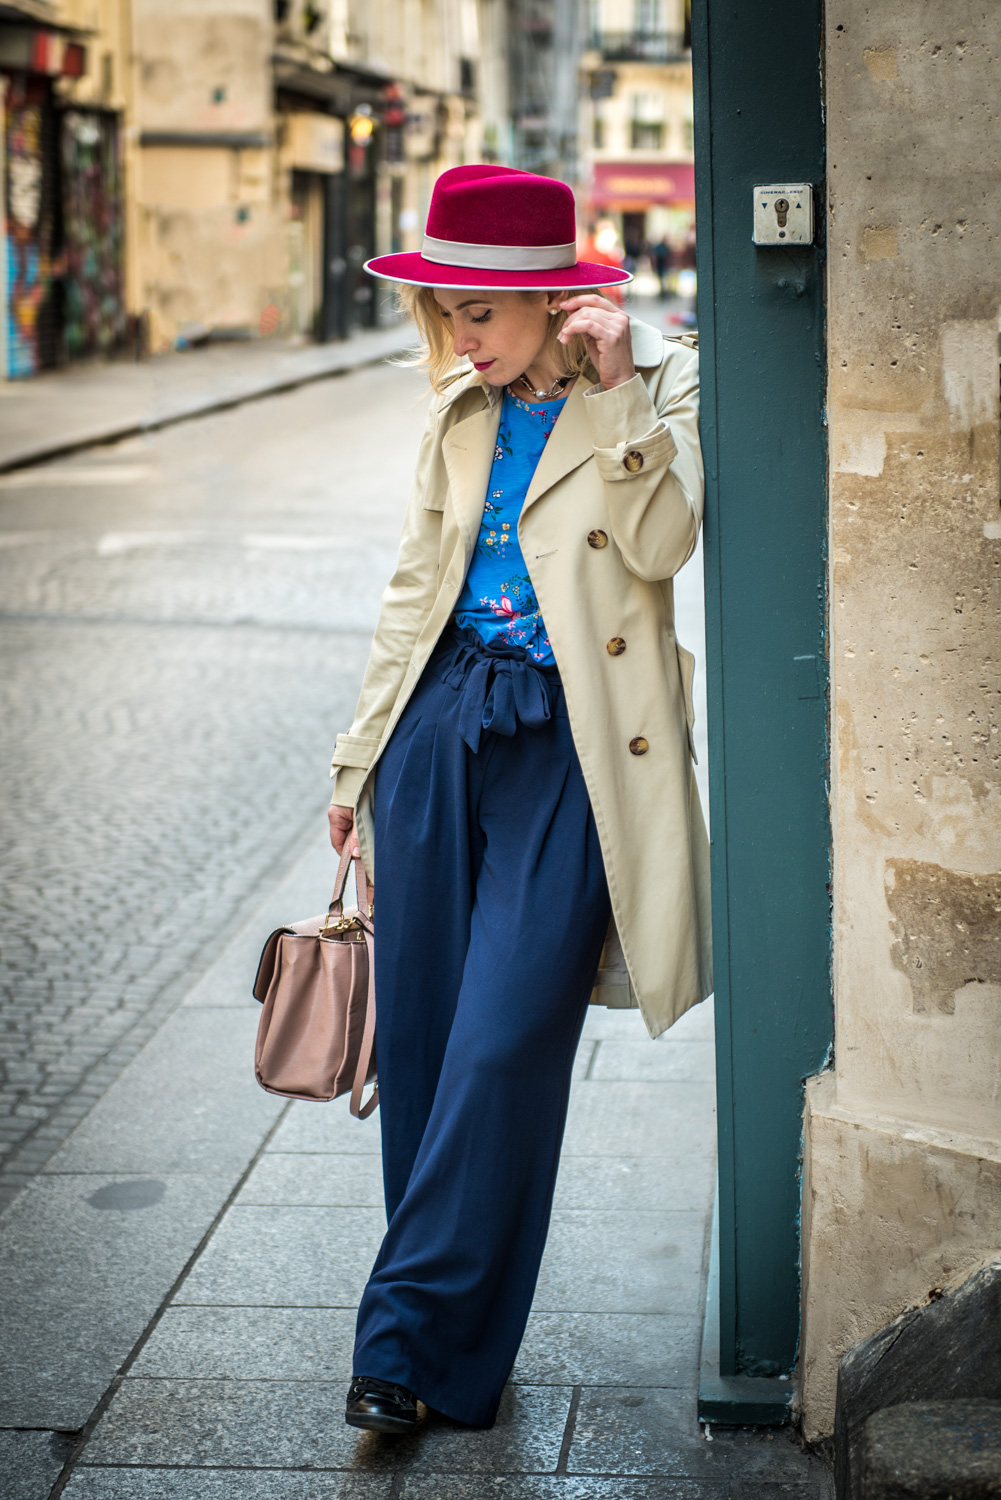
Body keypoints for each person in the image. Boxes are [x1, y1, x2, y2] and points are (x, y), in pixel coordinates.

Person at [327, 163, 712, 1436]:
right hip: (439, 736)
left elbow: (659, 549)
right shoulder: (456, 408)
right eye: (442, 315)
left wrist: (612, 400)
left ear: (552, 299)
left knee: (504, 1044)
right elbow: (411, 589)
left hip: (572, 752)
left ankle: (395, 1335)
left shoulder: (658, 386)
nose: (457, 339)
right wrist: (356, 760)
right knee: (433, 1049)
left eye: (476, 315)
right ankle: (441, 1362)